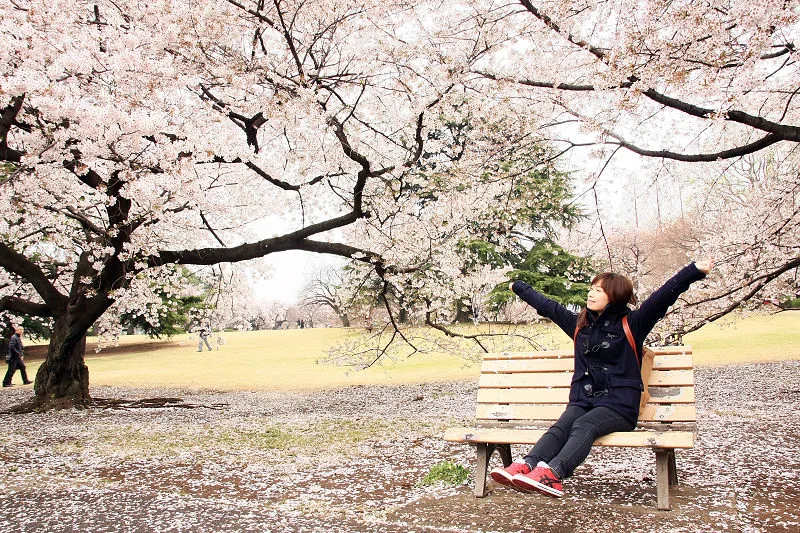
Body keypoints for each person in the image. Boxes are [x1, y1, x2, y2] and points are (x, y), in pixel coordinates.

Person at [491, 259, 715, 498]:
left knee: (583, 425)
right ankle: (528, 464)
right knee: (562, 426)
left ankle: (554, 474)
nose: (591, 293)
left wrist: (693, 270)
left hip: (619, 406)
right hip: (583, 401)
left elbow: (661, 298)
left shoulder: (633, 324)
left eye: (599, 290)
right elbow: (549, 307)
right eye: (591, 288)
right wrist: (519, 288)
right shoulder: (580, 325)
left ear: (615, 296)